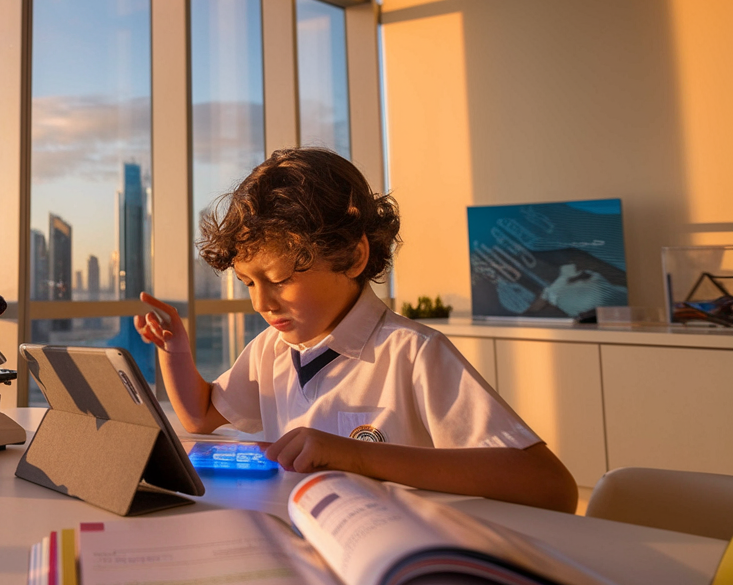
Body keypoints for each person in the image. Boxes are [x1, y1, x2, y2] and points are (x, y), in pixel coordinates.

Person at [135, 147, 579, 513]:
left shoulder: (412, 353)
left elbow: (549, 486)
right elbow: (201, 417)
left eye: (281, 279)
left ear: (352, 257)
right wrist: (175, 351)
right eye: (249, 282)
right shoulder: (271, 348)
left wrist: (356, 456)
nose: (261, 303)